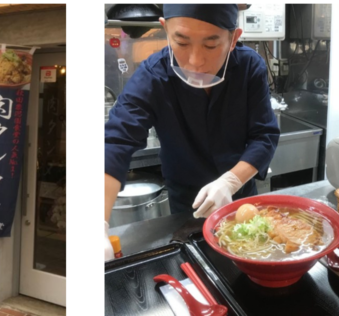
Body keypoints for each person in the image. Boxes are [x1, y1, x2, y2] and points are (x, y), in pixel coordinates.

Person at [104, 4, 280, 260]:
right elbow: (116, 140)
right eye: (182, 42)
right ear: (165, 30)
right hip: (187, 202)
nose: (196, 61)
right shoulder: (153, 76)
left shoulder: (249, 68)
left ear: (233, 39)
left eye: (211, 45)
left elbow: (264, 136)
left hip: (238, 194)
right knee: (193, 263)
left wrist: (229, 181)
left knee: (248, 256)